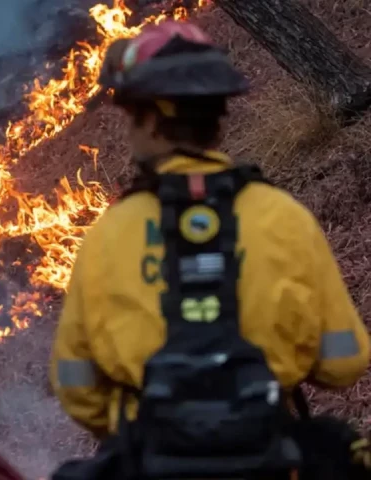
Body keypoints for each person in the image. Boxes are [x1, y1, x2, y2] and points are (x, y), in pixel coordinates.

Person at [49, 20, 371, 480]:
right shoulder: (282, 218)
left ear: (149, 118)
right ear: (218, 115)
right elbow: (344, 363)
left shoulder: (109, 235)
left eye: (129, 115)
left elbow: (77, 387)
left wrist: (142, 426)